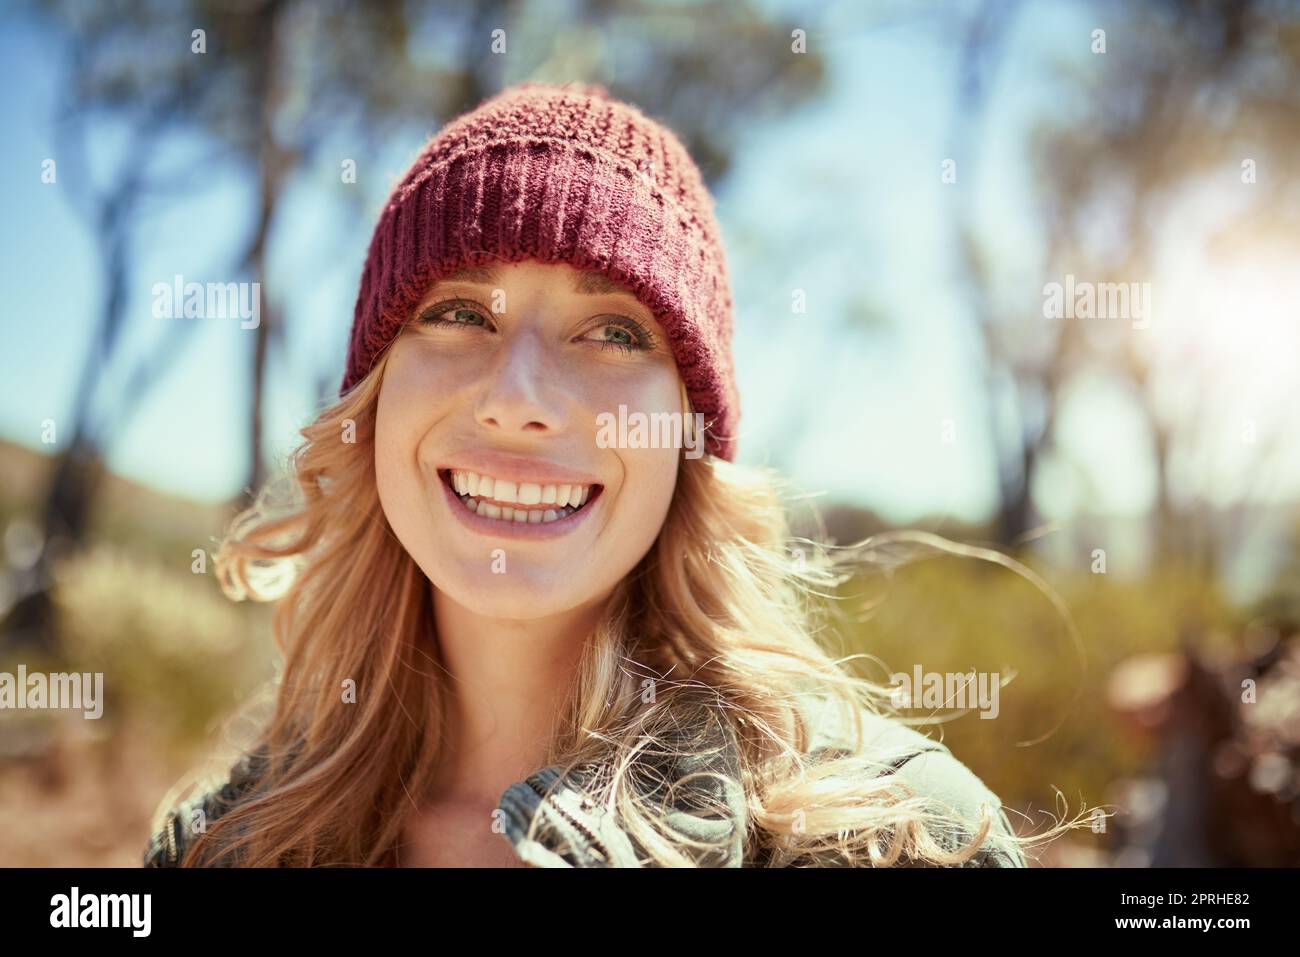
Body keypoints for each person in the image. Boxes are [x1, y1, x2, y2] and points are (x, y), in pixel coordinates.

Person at [143, 81, 1071, 868]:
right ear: (374, 400)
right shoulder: (221, 843)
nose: (519, 397)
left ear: (687, 435)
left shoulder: (900, 838)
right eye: (461, 311)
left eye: (616, 331)